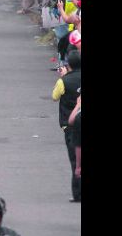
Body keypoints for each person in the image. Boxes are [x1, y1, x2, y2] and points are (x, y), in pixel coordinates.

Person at [52, 50, 81, 202]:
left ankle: (77, 194)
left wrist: (63, 77)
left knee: (75, 160)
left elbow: (54, 97)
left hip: (70, 125)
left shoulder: (64, 81)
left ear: (68, 64)